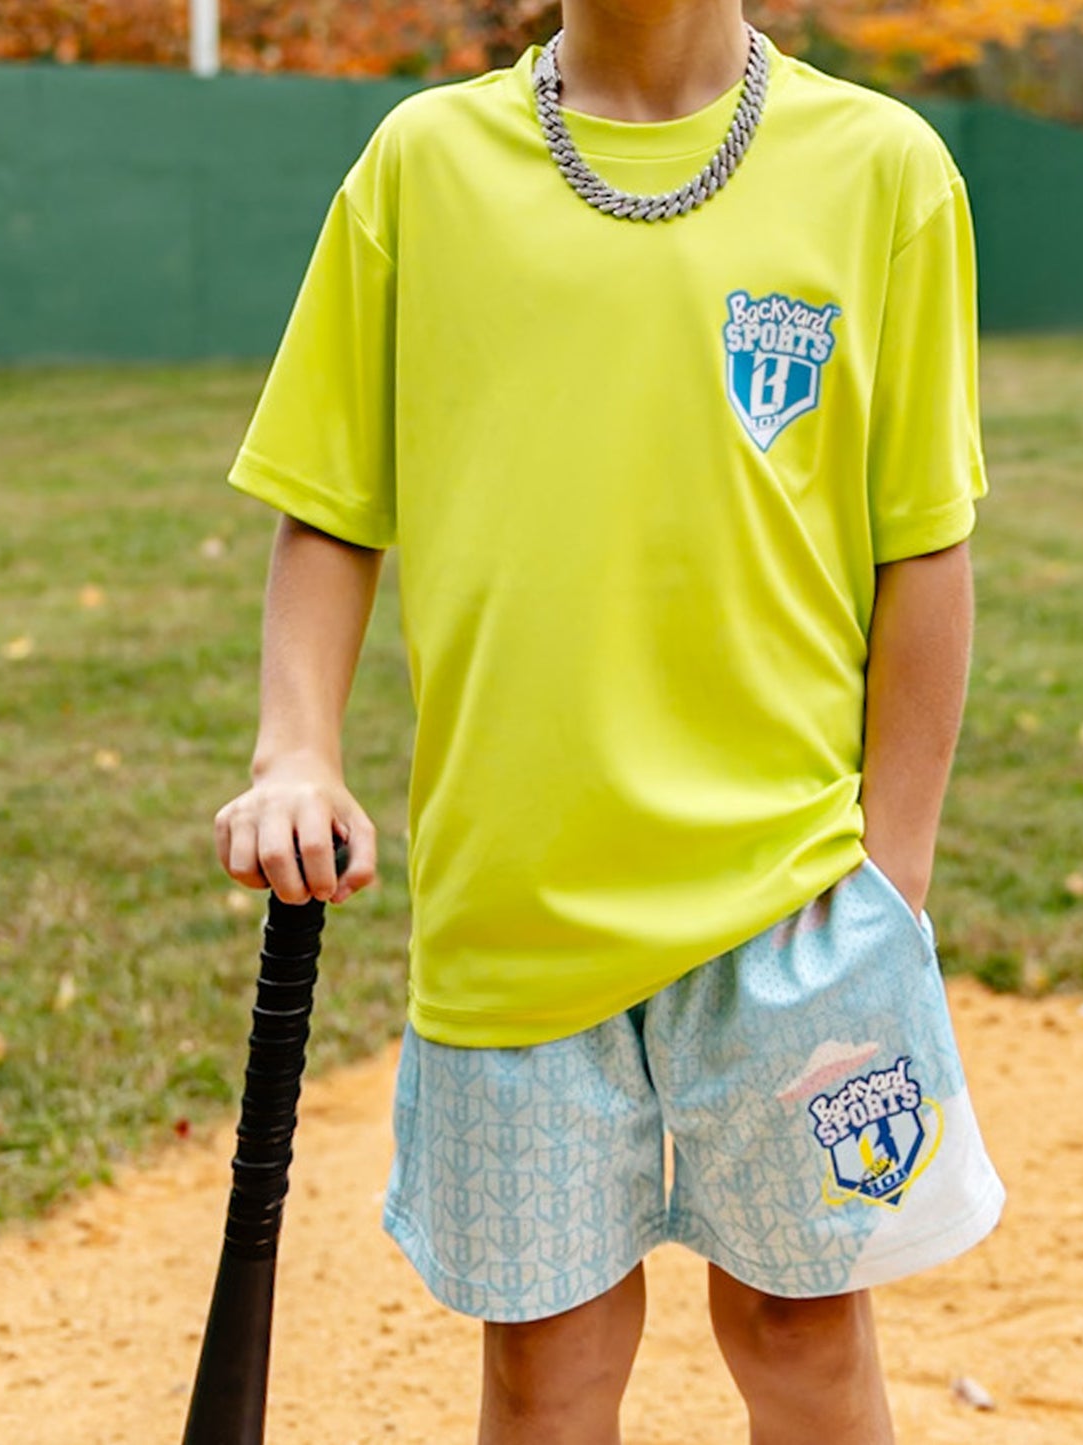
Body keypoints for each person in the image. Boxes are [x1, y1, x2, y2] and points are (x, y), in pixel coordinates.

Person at [214, 0, 1005, 1439]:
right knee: (547, 1358)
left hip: (794, 895)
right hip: (516, 898)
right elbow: (328, 502)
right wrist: (298, 748)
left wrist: (890, 876)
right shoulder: (422, 164)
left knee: (801, 1332)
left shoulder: (882, 167)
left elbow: (922, 548)